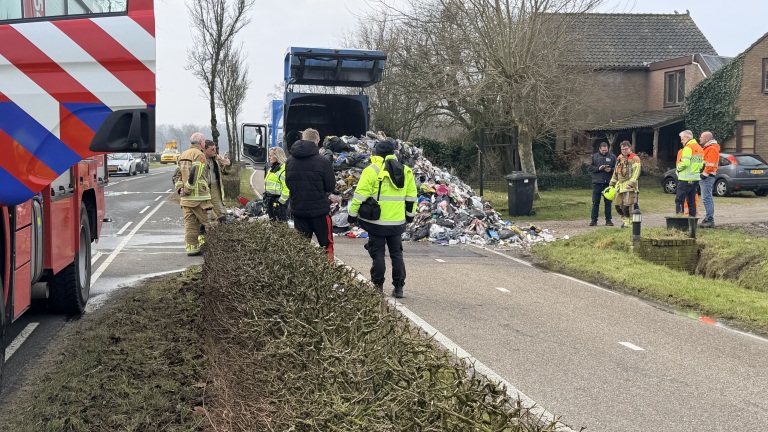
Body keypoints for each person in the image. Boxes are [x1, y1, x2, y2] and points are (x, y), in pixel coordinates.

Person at [348, 139, 418, 298]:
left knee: (378, 254)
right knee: (397, 254)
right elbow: (411, 197)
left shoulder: (371, 170)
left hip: (376, 222)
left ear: (376, 153)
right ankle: (399, 287)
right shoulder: (406, 170)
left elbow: (359, 195)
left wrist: (352, 215)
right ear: (394, 153)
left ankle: (377, 285)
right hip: (397, 221)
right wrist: (410, 216)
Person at [285, 128, 336, 260]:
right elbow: (330, 186)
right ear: (317, 141)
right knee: (326, 246)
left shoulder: (289, 161)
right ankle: (328, 275)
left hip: (299, 210)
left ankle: (301, 276)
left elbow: (288, 184)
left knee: (300, 247)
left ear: (303, 138)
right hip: (319, 212)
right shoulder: (323, 162)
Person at [173, 132, 212, 256]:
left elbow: (176, 176)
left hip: (186, 200)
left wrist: (180, 189)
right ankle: (213, 249)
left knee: (190, 225)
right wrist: (188, 189)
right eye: (204, 141)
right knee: (209, 223)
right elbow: (195, 174)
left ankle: (192, 249)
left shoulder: (183, 155)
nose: (204, 144)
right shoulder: (200, 155)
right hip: (200, 198)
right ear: (201, 142)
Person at [608, 141, 641, 228]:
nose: (624, 151)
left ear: (630, 148)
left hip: (629, 187)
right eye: (622, 149)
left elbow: (636, 172)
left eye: (626, 149)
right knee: (618, 206)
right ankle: (625, 221)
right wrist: (611, 184)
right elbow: (616, 172)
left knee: (628, 206)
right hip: (620, 187)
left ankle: (630, 223)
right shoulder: (619, 158)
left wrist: (631, 183)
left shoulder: (635, 158)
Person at [675, 130, 704, 218]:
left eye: (682, 139)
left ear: (687, 138)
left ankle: (679, 221)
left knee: (679, 200)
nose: (681, 141)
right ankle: (692, 221)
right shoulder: (699, 148)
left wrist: (678, 168)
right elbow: (702, 163)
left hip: (685, 179)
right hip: (695, 178)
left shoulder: (688, 148)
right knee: (691, 201)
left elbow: (685, 163)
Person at [588, 142, 617, 226]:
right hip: (596, 183)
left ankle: (608, 220)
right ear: (599, 149)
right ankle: (594, 220)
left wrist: (611, 170)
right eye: (603, 150)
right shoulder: (594, 157)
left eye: (606, 150)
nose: (604, 151)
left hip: (608, 184)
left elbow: (617, 168)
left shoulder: (612, 157)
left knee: (608, 203)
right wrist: (598, 168)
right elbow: (589, 168)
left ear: (608, 148)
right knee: (595, 203)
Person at [204, 140, 230, 223]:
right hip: (204, 191)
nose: (215, 151)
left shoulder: (216, 158)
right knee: (207, 216)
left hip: (215, 189)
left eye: (215, 149)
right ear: (204, 150)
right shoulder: (198, 159)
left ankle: (220, 232)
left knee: (221, 215)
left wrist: (228, 165)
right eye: (212, 149)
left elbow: (225, 171)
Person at [699, 131, 720, 228]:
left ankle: (709, 219)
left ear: (707, 139)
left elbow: (710, 164)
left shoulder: (711, 148)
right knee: (708, 198)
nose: (700, 138)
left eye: (701, 137)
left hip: (707, 177)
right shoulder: (710, 148)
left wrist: (704, 174)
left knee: (706, 198)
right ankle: (708, 218)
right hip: (708, 176)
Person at [264, 147, 290, 222]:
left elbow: (287, 188)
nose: (269, 157)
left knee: (280, 223)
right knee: (273, 222)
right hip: (270, 200)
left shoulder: (283, 169)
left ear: (277, 156)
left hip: (278, 201)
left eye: (271, 155)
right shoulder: (272, 168)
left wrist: (280, 202)